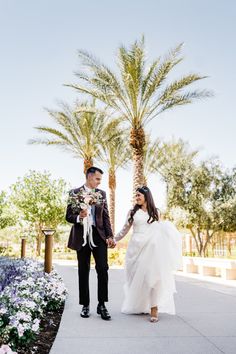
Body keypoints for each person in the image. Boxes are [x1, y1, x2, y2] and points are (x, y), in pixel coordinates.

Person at [115, 186, 182, 322]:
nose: (137, 198)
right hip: (135, 249)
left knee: (153, 278)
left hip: (151, 249)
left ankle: (154, 309)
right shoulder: (132, 212)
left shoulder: (156, 212)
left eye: (139, 195)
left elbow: (160, 230)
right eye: (136, 196)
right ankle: (141, 305)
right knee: (136, 279)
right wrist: (113, 239)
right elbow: (124, 229)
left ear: (146, 196)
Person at [66, 166, 115, 320]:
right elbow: (68, 216)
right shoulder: (74, 193)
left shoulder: (102, 194)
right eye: (97, 179)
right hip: (81, 236)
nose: (99, 182)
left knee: (102, 268)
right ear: (89, 177)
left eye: (100, 179)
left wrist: (110, 235)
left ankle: (102, 305)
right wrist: (79, 217)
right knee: (83, 270)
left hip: (99, 235)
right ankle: (85, 305)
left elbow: (105, 216)